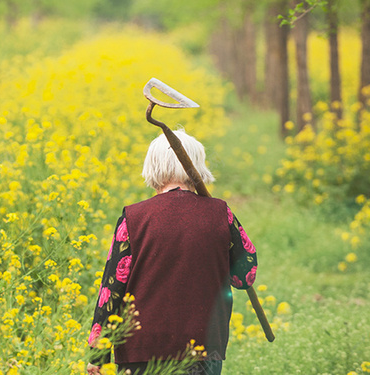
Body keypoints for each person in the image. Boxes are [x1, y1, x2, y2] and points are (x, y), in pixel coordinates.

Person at [86, 130, 257, 375]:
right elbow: (246, 276)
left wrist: (98, 353)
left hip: (141, 352)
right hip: (203, 350)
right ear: (197, 167)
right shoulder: (221, 213)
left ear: (151, 167)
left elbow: (112, 288)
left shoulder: (133, 218)